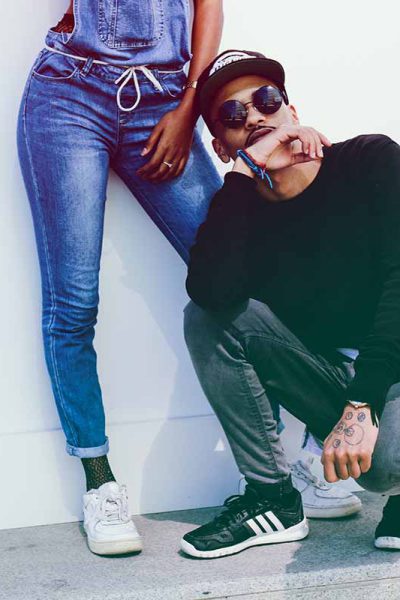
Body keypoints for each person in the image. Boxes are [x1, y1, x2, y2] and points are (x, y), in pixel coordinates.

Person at [17, 0, 223, 556]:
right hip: (68, 94)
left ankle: (293, 460)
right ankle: (99, 482)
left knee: (235, 273)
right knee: (73, 302)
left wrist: (190, 104)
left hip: (164, 98)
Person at [181, 49, 400, 558]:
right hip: (336, 380)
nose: (255, 117)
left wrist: (362, 403)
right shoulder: (240, 213)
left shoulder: (369, 160)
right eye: (232, 115)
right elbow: (211, 296)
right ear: (222, 147)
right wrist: (243, 175)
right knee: (207, 318)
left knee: (388, 464)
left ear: (291, 111)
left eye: (266, 100)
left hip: (385, 377)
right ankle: (273, 500)